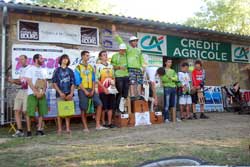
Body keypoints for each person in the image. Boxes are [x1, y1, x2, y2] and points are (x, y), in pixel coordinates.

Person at [74, 51, 106, 132]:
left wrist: (92, 90)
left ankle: (98, 125)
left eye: (89, 56)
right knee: (83, 108)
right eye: (87, 56)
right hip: (82, 89)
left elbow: (93, 79)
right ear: (83, 56)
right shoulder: (78, 68)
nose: (88, 57)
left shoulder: (91, 67)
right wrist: (85, 91)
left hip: (91, 89)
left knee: (99, 104)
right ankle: (85, 127)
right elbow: (78, 82)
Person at [112, 25, 145, 98]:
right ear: (130, 42)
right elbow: (120, 41)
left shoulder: (139, 50)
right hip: (131, 68)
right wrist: (114, 32)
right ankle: (132, 95)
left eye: (136, 41)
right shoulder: (127, 48)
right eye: (133, 41)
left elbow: (141, 59)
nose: (135, 42)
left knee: (139, 82)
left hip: (138, 68)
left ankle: (139, 94)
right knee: (132, 82)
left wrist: (143, 66)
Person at [24, 54, 48, 137]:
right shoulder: (30, 69)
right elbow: (29, 82)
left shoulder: (43, 70)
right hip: (32, 94)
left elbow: (45, 82)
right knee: (30, 112)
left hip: (42, 94)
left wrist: (43, 91)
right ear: (36, 59)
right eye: (41, 58)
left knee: (41, 112)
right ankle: (29, 131)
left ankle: (39, 130)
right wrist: (36, 92)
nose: (43, 59)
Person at [52, 54, 75, 135]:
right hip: (60, 94)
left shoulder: (70, 71)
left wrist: (71, 93)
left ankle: (68, 128)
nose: (65, 60)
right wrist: (60, 92)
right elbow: (54, 83)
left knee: (67, 111)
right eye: (64, 59)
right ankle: (59, 129)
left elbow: (73, 83)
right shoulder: (57, 70)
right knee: (60, 112)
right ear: (61, 60)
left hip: (69, 94)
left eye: (67, 59)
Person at [8, 55, 29, 137]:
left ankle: (29, 130)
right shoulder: (21, 69)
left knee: (26, 111)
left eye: (22, 59)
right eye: (19, 59)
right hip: (21, 90)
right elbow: (20, 82)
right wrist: (12, 81)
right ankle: (19, 130)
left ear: (26, 60)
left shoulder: (30, 68)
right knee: (16, 110)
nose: (20, 61)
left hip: (28, 91)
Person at [96, 51, 116, 128]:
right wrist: (104, 88)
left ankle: (110, 123)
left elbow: (113, 77)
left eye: (106, 55)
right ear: (100, 57)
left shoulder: (111, 66)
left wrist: (113, 86)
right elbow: (97, 79)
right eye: (103, 55)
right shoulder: (98, 66)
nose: (105, 56)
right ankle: (103, 122)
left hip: (111, 89)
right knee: (103, 107)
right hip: (103, 89)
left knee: (111, 106)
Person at [111, 43, 130, 113]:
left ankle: (122, 107)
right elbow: (112, 66)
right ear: (119, 50)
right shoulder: (115, 56)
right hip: (118, 76)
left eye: (124, 50)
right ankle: (117, 109)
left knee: (125, 94)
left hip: (126, 76)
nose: (123, 52)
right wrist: (119, 67)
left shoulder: (127, 56)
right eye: (122, 50)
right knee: (119, 93)